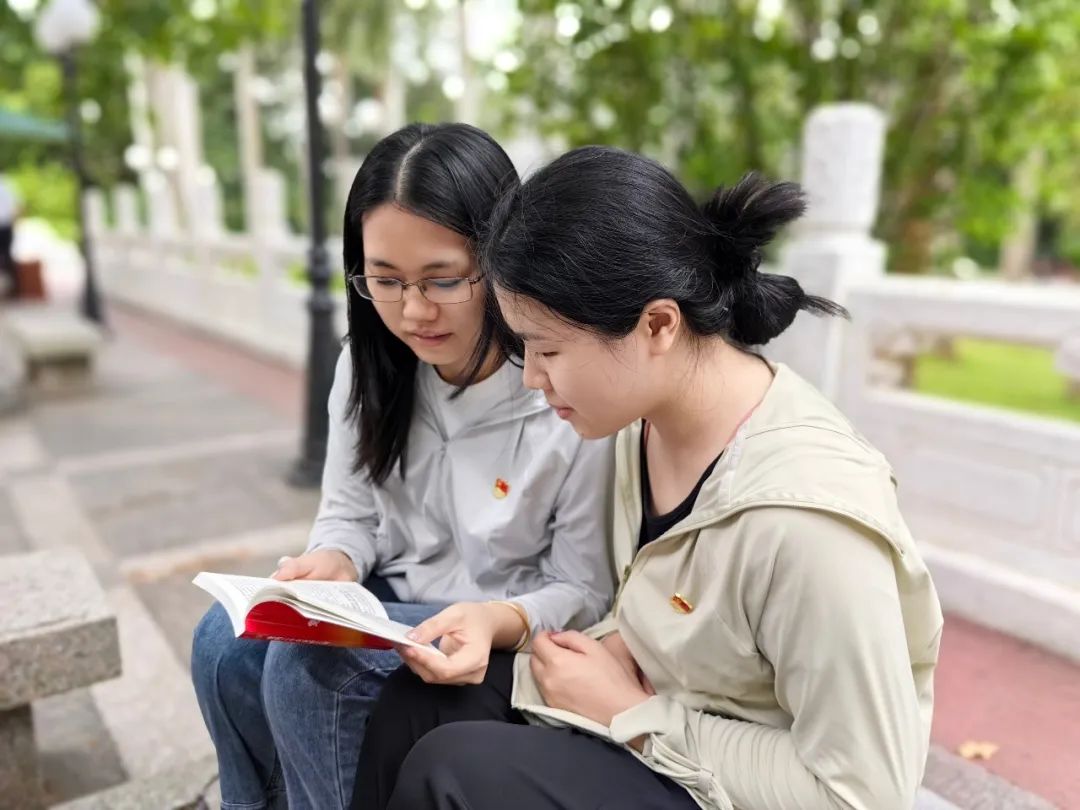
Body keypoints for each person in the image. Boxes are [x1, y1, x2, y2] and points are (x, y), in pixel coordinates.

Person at [352, 148, 944, 810]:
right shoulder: (639, 427)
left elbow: (863, 792)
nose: (530, 378)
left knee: (454, 768)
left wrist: (632, 716)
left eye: (547, 350)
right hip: (664, 715)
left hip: (736, 783)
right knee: (421, 704)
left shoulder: (808, 524)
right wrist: (550, 636)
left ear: (657, 324)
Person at [190, 124, 614, 810]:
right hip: (395, 602)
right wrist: (332, 559)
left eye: (442, 280)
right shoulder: (368, 365)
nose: (413, 311)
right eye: (384, 280)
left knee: (307, 665)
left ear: (501, 256)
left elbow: (585, 588)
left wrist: (493, 620)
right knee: (224, 637)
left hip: (500, 632)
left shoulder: (558, 388)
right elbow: (352, 513)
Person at [0, 174, 20, 299]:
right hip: (7, 225)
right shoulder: (8, 184)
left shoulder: (7, 184)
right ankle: (12, 289)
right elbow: (18, 206)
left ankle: (11, 289)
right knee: (7, 256)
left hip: (6, 224)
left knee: (7, 256)